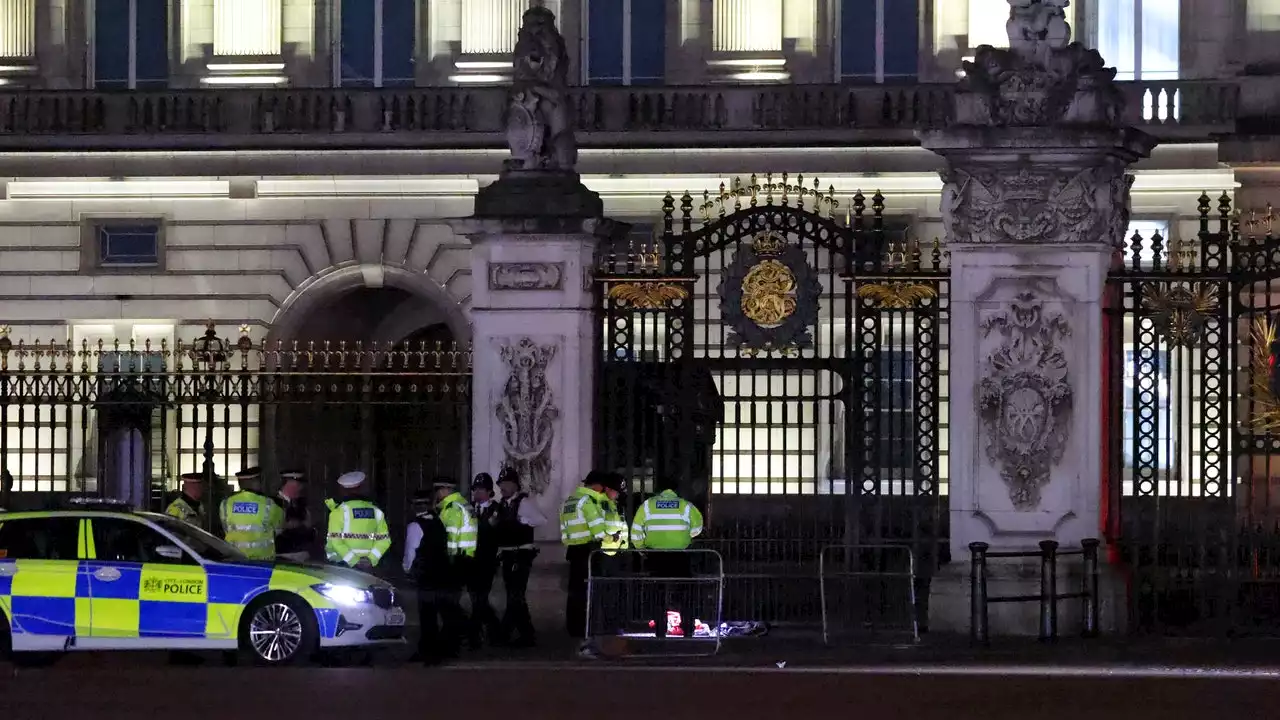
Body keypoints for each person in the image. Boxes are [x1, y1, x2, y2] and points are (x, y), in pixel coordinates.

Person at [560, 470, 623, 651]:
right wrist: (613, 539)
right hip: (589, 552)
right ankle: (587, 639)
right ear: (598, 485)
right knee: (589, 597)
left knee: (576, 595)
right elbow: (599, 531)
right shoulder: (589, 502)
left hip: (574, 551)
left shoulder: (571, 500)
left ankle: (576, 635)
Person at [631, 483, 704, 638]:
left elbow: (636, 532)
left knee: (657, 594)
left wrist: (642, 550)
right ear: (675, 492)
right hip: (680, 556)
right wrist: (683, 537)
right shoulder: (685, 506)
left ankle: (660, 631)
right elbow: (697, 527)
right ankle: (688, 629)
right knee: (686, 593)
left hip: (655, 557)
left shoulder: (647, 506)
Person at [403, 489, 463, 664]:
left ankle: (429, 651)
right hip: (444, 574)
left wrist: (407, 570)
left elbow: (411, 552)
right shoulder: (439, 522)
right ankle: (447, 649)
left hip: (426, 576)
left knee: (427, 615)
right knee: (445, 612)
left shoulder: (415, 525)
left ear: (414, 506)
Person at [493, 467, 544, 647]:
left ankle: (507, 633)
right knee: (515, 595)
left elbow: (541, 519)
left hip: (521, 554)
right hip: (507, 554)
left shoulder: (524, 502)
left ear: (515, 485)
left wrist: (524, 521)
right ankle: (524, 634)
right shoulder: (502, 505)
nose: (502, 488)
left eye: (506, 484)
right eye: (501, 484)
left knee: (515, 595)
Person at [324, 470, 391, 571]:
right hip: (369, 568)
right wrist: (371, 559)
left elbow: (335, 541)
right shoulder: (376, 511)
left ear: (342, 490)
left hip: (342, 566)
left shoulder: (338, 512)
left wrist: (354, 561)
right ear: (362, 488)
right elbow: (384, 540)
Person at [467, 473, 502, 649]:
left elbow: (492, 530)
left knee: (480, 599)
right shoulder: (469, 509)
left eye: (481, 490)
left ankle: (474, 634)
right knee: (477, 599)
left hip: (487, 561)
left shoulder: (496, 509)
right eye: (475, 490)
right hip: (470, 562)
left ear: (489, 492)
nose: (477, 493)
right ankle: (495, 630)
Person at [219, 467, 284, 560]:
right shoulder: (268, 504)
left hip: (234, 560)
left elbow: (226, 528)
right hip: (262, 562)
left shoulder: (225, 504)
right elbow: (280, 528)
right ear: (256, 482)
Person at [274, 470, 314, 563]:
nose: (300, 488)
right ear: (287, 483)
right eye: (297, 484)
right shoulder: (275, 503)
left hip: (300, 553)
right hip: (282, 554)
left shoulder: (300, 505)